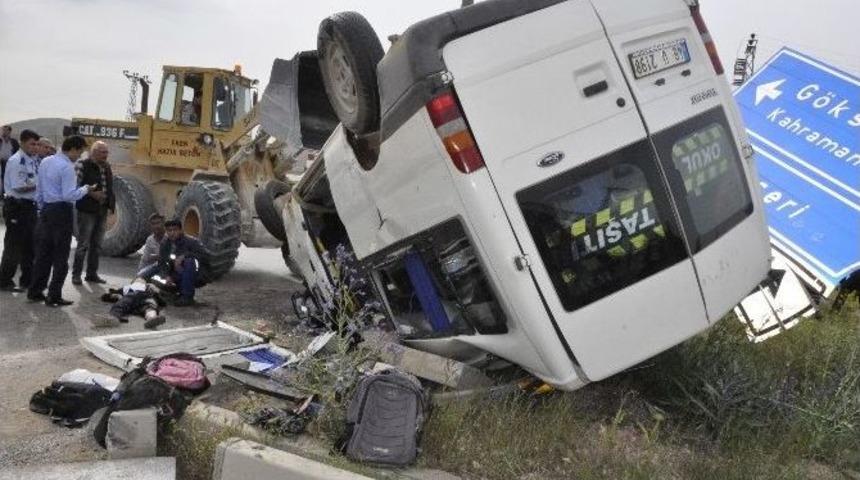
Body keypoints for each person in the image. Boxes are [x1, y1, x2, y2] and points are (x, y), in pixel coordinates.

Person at [28, 135, 101, 307]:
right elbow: (69, 195)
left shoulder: (46, 161)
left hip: (46, 209)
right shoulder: (67, 167)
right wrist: (86, 189)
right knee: (61, 257)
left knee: (43, 254)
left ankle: (35, 290)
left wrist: (41, 208)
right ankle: (54, 295)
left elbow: (39, 188)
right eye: (80, 152)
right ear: (73, 149)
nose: (80, 156)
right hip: (61, 211)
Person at [0, 129, 41, 292]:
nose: (35, 147)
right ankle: (4, 280)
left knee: (29, 246)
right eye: (32, 144)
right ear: (23, 142)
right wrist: (39, 186)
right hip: (17, 206)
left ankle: (27, 280)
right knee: (13, 246)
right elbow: (19, 186)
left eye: (37, 144)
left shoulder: (31, 160)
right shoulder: (17, 161)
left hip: (29, 207)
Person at [71, 141, 115, 285]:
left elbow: (109, 186)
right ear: (94, 152)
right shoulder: (82, 164)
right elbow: (75, 186)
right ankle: (76, 275)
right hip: (86, 210)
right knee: (83, 244)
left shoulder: (106, 166)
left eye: (107, 152)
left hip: (101, 210)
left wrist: (110, 204)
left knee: (97, 245)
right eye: (103, 152)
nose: (106, 155)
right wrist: (92, 194)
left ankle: (91, 274)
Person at [154, 219, 207, 306]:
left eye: (174, 230)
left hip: (194, 273)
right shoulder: (165, 244)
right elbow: (162, 262)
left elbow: (204, 256)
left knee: (189, 261)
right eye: (169, 230)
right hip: (175, 272)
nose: (172, 233)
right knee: (152, 272)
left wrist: (184, 256)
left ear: (180, 230)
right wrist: (166, 275)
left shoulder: (191, 241)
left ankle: (187, 297)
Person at [97, 277, 167, 330]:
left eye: (142, 280)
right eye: (139, 280)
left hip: (135, 300)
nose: (141, 280)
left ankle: (152, 319)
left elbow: (162, 303)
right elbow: (162, 303)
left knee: (122, 304)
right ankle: (152, 318)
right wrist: (113, 295)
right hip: (140, 300)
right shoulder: (129, 287)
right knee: (149, 308)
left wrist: (156, 292)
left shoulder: (147, 288)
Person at [0, 125, 20, 198]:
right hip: (1, 163)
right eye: (3, 130)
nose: (3, 132)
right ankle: (2, 193)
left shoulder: (14, 142)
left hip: (11, 163)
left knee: (10, 177)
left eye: (5, 130)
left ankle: (9, 193)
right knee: (2, 177)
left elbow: (18, 152)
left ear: (9, 131)